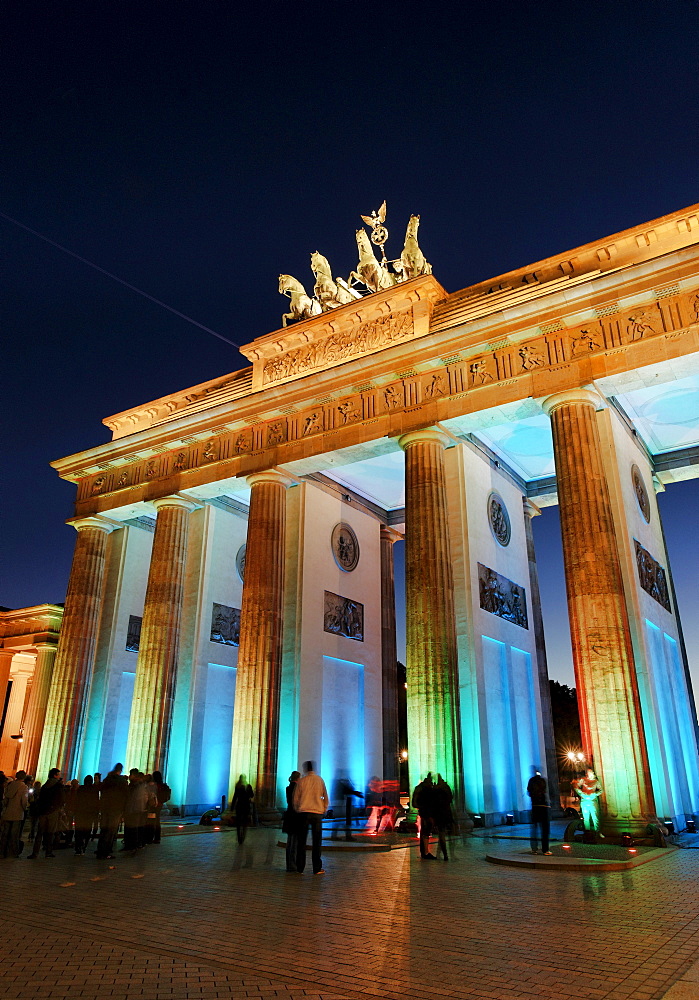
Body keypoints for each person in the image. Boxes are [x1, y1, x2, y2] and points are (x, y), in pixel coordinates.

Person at [293, 760, 328, 874]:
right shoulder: (320, 780)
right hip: (317, 813)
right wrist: (324, 809)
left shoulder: (302, 781)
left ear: (305, 769)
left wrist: (298, 809)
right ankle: (316, 868)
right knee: (317, 842)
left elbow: (296, 798)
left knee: (301, 841)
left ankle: (300, 867)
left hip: (304, 813)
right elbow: (325, 796)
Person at [28, 768, 65, 858]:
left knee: (40, 833)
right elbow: (61, 799)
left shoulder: (45, 785)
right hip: (53, 811)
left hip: (43, 811)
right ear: (55, 775)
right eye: (58, 774)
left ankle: (35, 852)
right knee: (50, 833)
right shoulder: (58, 786)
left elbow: (41, 798)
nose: (59, 776)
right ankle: (48, 851)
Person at [96, 763, 128, 859]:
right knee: (111, 831)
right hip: (116, 809)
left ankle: (100, 851)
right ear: (120, 770)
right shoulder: (122, 781)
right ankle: (106, 852)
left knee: (104, 830)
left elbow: (101, 790)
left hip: (106, 807)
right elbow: (126, 796)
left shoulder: (107, 779)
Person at [0, 769, 29, 858]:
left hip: (8, 812)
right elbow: (24, 801)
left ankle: (1, 852)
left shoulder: (10, 785)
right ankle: (12, 853)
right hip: (17, 813)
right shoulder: (24, 787)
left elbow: (5, 799)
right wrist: (26, 808)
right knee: (14, 834)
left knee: (5, 834)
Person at [527, 769, 552, 855]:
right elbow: (548, 791)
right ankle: (545, 849)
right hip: (544, 806)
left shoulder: (531, 781)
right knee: (545, 829)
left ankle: (534, 849)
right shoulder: (542, 780)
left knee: (534, 829)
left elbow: (528, 792)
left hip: (535, 806)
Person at [122, 769, 148, 851]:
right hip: (132, 809)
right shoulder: (135, 784)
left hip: (135, 809)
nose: (129, 776)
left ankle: (132, 845)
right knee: (130, 828)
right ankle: (129, 845)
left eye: (131, 775)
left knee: (132, 828)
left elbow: (134, 797)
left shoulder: (138, 785)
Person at [74, 775, 100, 855]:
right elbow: (96, 801)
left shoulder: (80, 789)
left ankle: (78, 847)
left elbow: (77, 800)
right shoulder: (94, 790)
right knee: (87, 831)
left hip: (80, 812)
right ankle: (84, 847)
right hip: (89, 813)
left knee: (78, 831)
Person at [412, 772, 435, 859]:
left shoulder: (420, 788)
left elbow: (415, 802)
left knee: (425, 831)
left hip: (423, 810)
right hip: (426, 811)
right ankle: (425, 852)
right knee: (426, 831)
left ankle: (424, 851)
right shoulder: (426, 789)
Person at [433, 774, 454, 861]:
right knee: (443, 834)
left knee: (441, 834)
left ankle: (445, 854)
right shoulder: (446, 787)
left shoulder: (438, 791)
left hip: (440, 814)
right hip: (447, 813)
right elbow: (450, 798)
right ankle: (440, 854)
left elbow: (434, 802)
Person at [283, 771, 300, 871]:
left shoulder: (288, 788)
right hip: (295, 816)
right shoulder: (297, 788)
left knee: (290, 841)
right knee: (295, 842)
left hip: (289, 815)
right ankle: (292, 864)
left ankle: (289, 864)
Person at [147, 770, 171, 845]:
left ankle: (150, 838)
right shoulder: (162, 785)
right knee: (157, 821)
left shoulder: (154, 785)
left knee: (151, 821)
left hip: (153, 805)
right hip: (159, 805)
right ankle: (157, 838)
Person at [231, 774, 254, 845]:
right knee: (244, 822)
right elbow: (252, 795)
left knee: (239, 822)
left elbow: (235, 797)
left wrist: (232, 806)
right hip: (245, 805)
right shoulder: (248, 786)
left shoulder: (238, 787)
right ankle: (242, 836)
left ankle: (239, 837)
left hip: (240, 805)